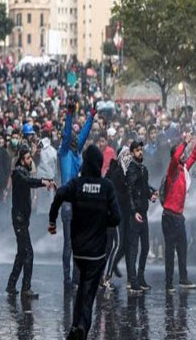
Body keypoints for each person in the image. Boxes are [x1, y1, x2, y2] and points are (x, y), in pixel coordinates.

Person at [48, 145, 121, 340]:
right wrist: (101, 220)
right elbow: (116, 218)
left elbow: (59, 195)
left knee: (82, 288)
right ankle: (81, 327)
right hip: (97, 252)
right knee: (88, 291)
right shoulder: (107, 187)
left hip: (79, 250)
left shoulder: (76, 184)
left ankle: (75, 326)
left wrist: (52, 220)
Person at [6, 146, 55, 298]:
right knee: (28, 253)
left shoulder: (23, 170)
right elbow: (30, 181)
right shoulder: (18, 174)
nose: (30, 160)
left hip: (23, 219)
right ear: (21, 160)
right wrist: (44, 182)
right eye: (27, 158)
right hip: (19, 220)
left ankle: (11, 285)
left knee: (22, 253)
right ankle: (26, 288)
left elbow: (31, 175)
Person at [58, 102, 95, 288]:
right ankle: (67, 281)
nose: (75, 137)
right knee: (69, 245)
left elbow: (84, 134)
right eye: (73, 135)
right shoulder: (64, 152)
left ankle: (75, 279)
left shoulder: (76, 151)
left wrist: (91, 116)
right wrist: (69, 115)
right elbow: (66, 133)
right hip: (67, 204)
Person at [162, 133, 196, 293]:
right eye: (181, 154)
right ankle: (169, 282)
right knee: (170, 251)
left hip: (179, 217)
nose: (184, 156)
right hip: (170, 217)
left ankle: (183, 279)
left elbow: (193, 158)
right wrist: (184, 143)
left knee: (182, 248)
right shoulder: (172, 170)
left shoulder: (183, 170)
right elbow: (177, 156)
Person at [126, 140, 157, 294]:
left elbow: (144, 189)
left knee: (145, 247)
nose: (140, 152)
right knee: (133, 248)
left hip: (143, 213)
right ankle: (133, 281)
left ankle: (140, 276)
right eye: (137, 150)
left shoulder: (143, 169)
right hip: (135, 214)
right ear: (132, 153)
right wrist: (133, 212)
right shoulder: (131, 170)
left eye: (141, 150)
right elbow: (130, 192)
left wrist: (151, 196)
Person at [103, 146, 131, 291]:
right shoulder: (117, 172)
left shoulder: (124, 172)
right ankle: (107, 277)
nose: (128, 157)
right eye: (125, 155)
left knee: (111, 246)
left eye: (129, 155)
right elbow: (116, 193)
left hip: (119, 213)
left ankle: (104, 275)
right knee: (116, 245)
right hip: (114, 214)